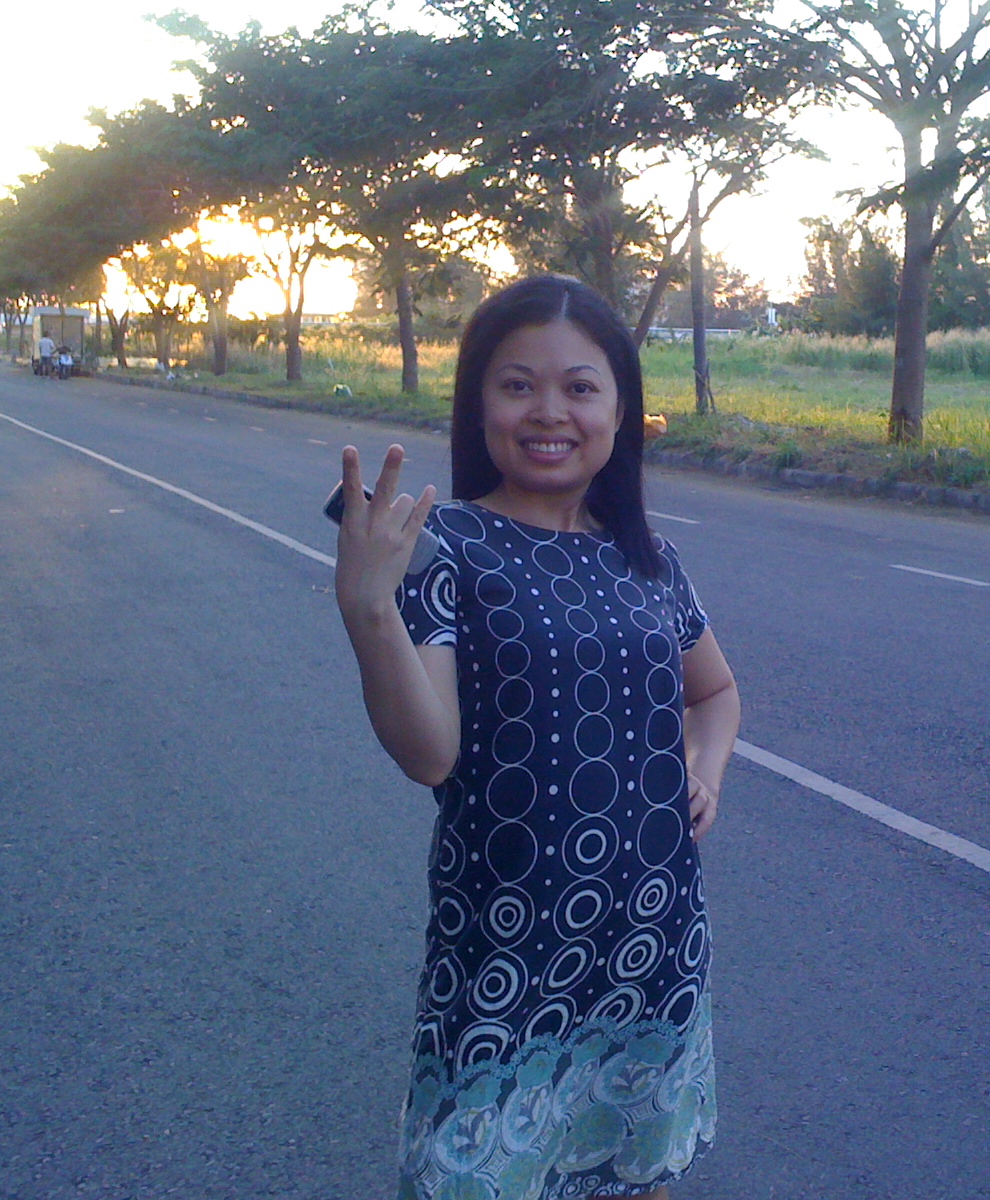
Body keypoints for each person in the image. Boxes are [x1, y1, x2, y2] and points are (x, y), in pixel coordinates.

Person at [334, 274, 741, 1200]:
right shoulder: (447, 547)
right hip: (507, 956)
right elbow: (429, 753)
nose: (549, 411)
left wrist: (704, 767)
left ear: (620, 412)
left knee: (635, 1174)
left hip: (652, 944)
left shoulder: (648, 559)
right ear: (478, 403)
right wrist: (369, 609)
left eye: (580, 387)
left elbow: (715, 693)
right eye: (517, 385)